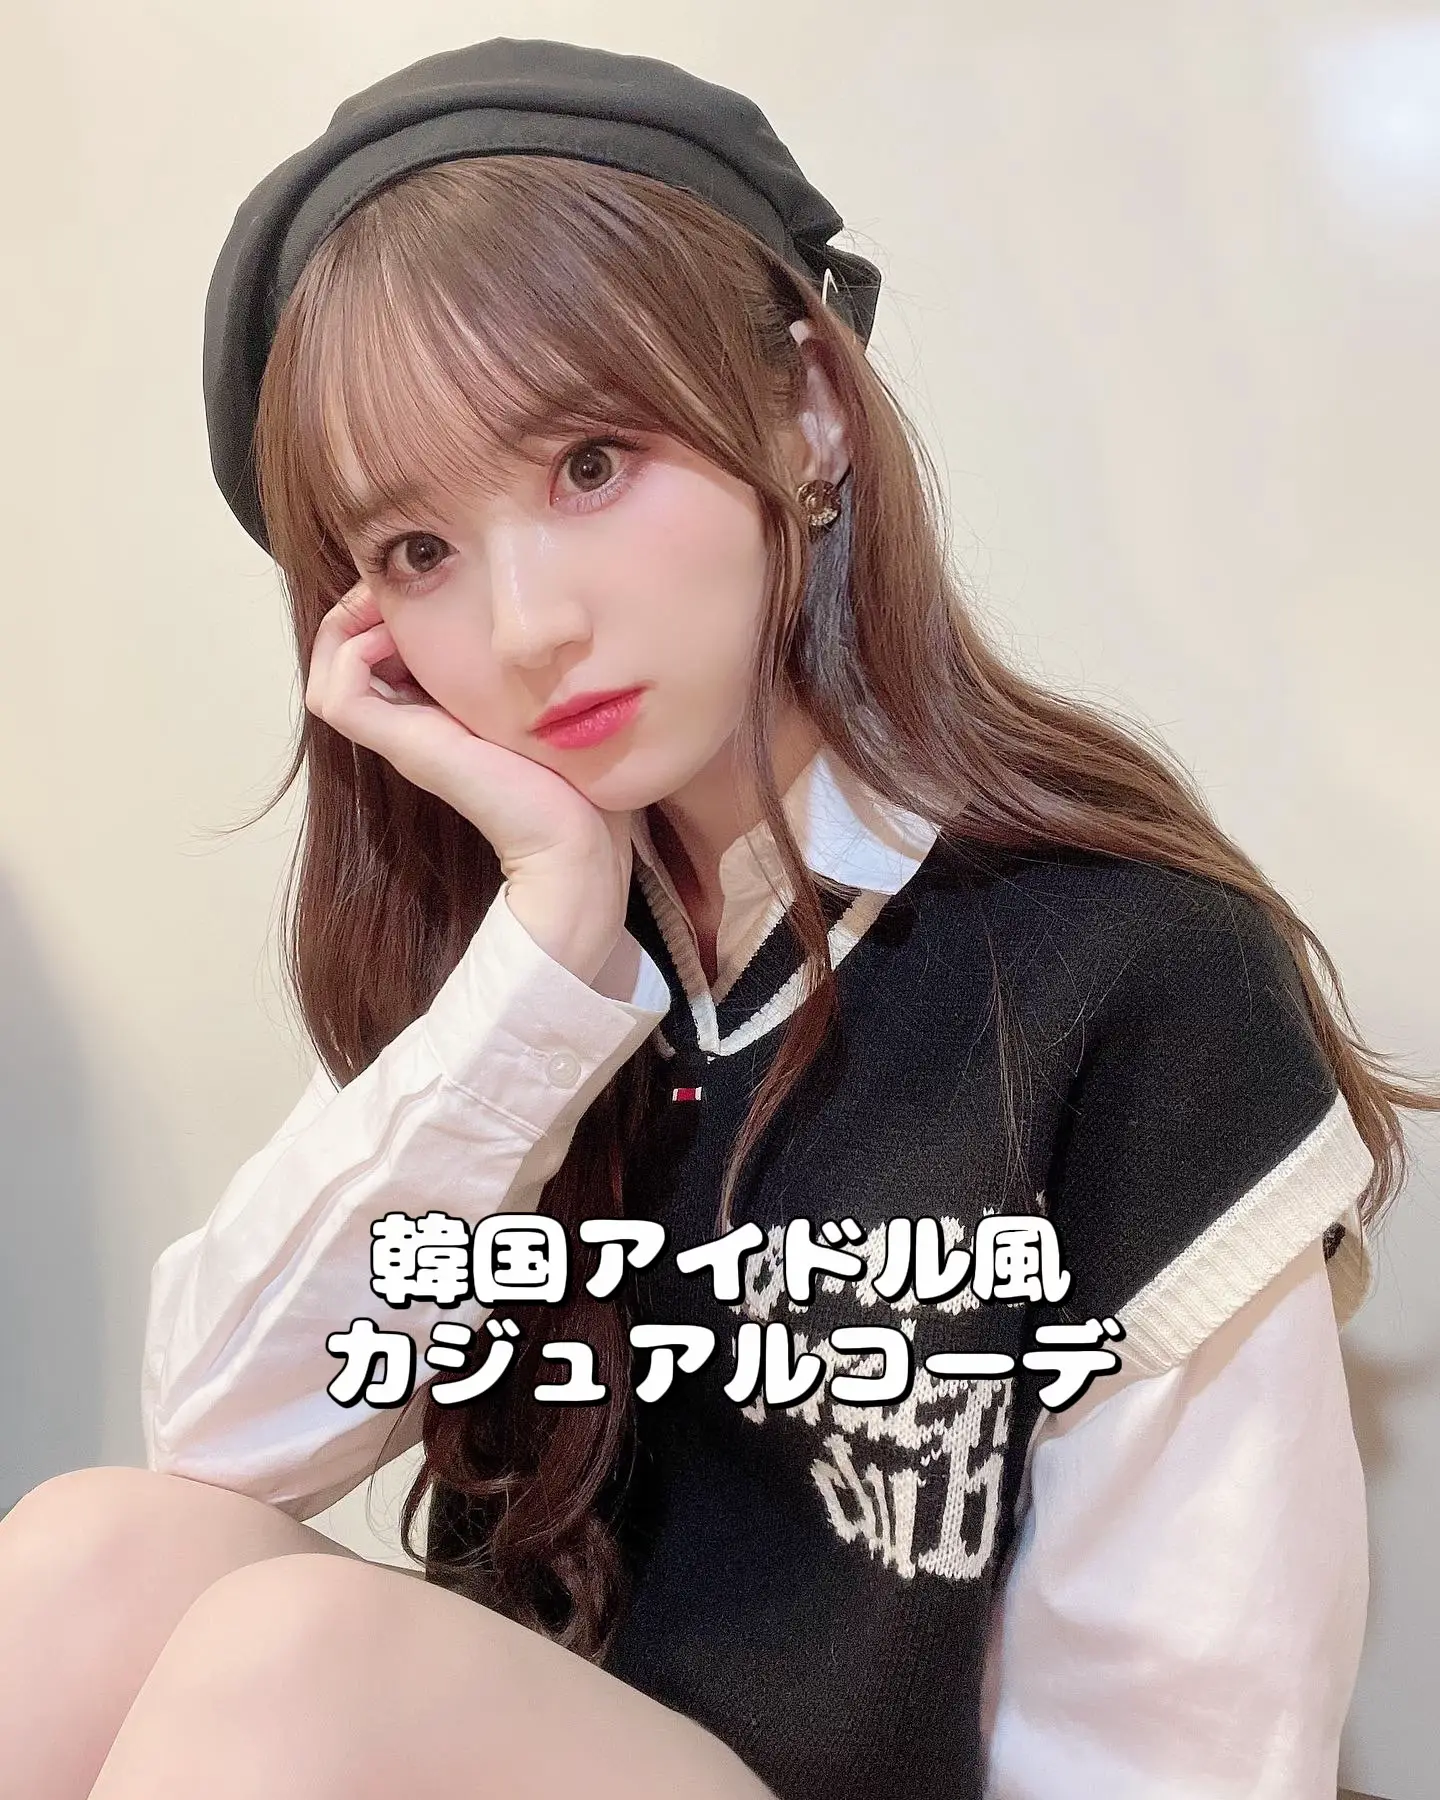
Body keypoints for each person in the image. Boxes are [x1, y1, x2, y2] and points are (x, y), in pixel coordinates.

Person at [0, 34, 1433, 1800]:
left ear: (805, 408)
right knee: (86, 1557)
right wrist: (541, 956)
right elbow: (224, 1441)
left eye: (591, 462)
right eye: (416, 552)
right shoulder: (536, 974)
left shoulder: (1120, 968)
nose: (526, 625)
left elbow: (1187, 1735)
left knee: (293, 1666)